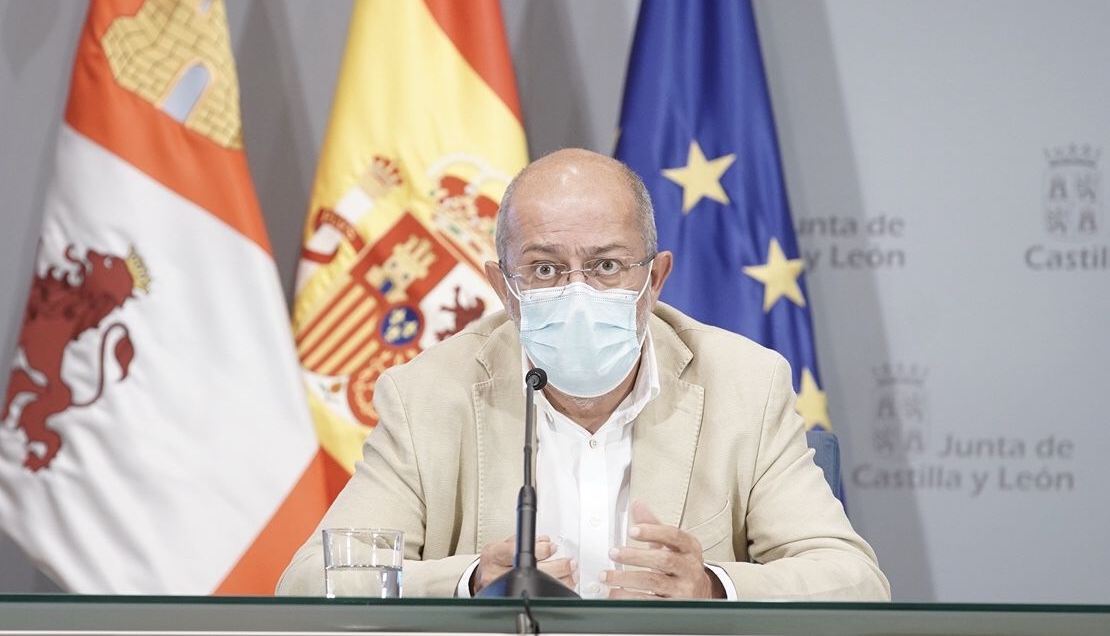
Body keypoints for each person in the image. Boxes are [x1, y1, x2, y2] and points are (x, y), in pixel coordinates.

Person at [277, 149, 889, 600]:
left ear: (654, 279)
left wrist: (711, 587)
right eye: (544, 269)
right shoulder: (427, 394)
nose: (576, 292)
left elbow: (854, 580)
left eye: (605, 265)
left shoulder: (745, 384)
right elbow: (312, 583)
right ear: (504, 288)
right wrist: (468, 582)